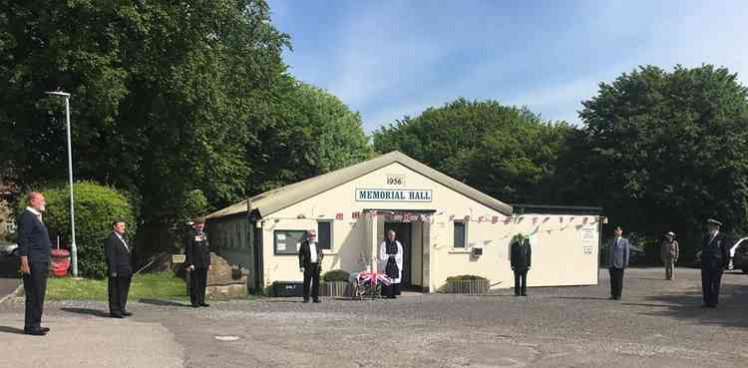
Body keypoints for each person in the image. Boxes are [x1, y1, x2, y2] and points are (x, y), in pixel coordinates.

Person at [17, 192, 52, 336]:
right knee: (34, 294)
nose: (44, 202)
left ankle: (35, 323)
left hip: (40, 261)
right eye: (41, 200)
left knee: (39, 294)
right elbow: (23, 241)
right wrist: (24, 262)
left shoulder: (36, 217)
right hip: (33, 262)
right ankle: (31, 327)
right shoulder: (27, 217)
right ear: (32, 201)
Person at [105, 221, 133, 318]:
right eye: (121, 226)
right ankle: (115, 311)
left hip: (126, 270)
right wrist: (112, 270)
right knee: (115, 291)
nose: (123, 227)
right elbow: (110, 256)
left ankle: (122, 308)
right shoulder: (111, 239)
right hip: (117, 270)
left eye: (124, 226)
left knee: (123, 291)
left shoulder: (123, 239)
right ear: (115, 227)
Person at [701, 218, 730, 308]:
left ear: (716, 227)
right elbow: (704, 250)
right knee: (706, 284)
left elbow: (726, 252)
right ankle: (707, 301)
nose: (709, 228)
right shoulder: (706, 237)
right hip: (706, 265)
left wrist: (724, 265)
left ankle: (713, 302)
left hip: (717, 265)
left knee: (715, 284)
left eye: (711, 226)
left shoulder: (722, 237)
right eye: (709, 226)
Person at [185, 217, 211, 308]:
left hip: (204, 262)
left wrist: (209, 263)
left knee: (202, 282)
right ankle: (195, 301)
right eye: (199, 224)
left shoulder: (204, 234)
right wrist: (189, 263)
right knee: (195, 282)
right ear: (195, 225)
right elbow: (189, 250)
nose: (200, 226)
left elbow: (207, 250)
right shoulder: (191, 235)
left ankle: (201, 300)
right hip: (195, 263)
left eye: (202, 224)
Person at [298, 229, 323, 303]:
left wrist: (320, 260)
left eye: (314, 235)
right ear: (308, 236)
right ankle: (306, 298)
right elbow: (301, 256)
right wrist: (301, 266)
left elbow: (321, 254)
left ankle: (315, 298)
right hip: (308, 265)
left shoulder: (317, 244)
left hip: (316, 265)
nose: (313, 237)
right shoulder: (304, 244)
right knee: (307, 282)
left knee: (316, 282)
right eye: (311, 235)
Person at [606, 226, 630, 300]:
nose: (617, 232)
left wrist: (625, 263)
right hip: (611, 263)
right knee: (612, 280)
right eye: (616, 230)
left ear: (621, 232)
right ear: (614, 232)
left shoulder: (624, 241)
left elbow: (627, 253)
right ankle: (613, 294)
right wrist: (607, 262)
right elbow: (608, 252)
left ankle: (619, 295)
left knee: (619, 280)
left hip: (620, 263)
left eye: (619, 230)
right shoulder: (610, 241)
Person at [379, 230, 403, 299]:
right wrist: (389, 256)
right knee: (388, 278)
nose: (392, 237)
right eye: (391, 235)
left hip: (395, 264)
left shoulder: (398, 244)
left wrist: (395, 256)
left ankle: (394, 294)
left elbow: (400, 253)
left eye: (393, 235)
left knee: (395, 279)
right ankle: (387, 294)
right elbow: (382, 254)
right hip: (388, 264)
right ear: (388, 235)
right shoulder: (384, 244)